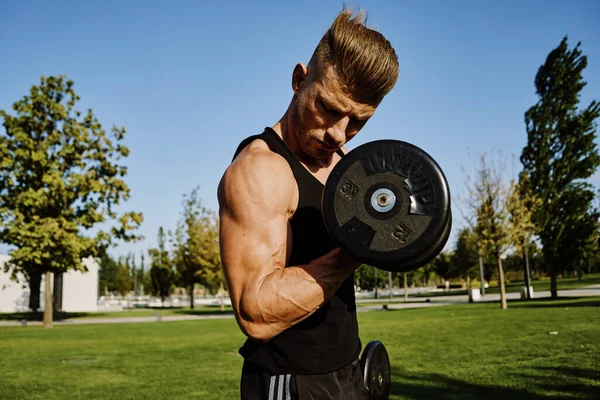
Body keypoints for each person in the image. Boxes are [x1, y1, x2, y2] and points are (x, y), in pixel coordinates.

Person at [218, 8, 399, 400]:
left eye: (357, 121)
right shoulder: (261, 170)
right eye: (329, 108)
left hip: (348, 369)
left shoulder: (346, 169)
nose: (338, 133)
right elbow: (255, 311)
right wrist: (359, 245)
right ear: (300, 80)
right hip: (290, 382)